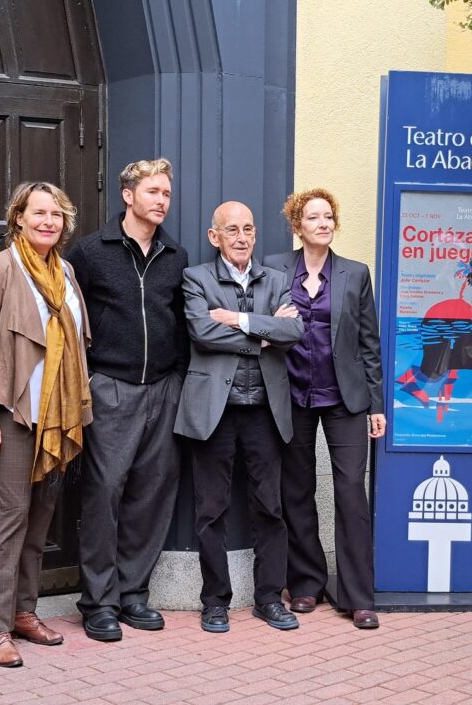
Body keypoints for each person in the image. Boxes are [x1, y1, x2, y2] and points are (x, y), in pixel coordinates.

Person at [0, 181, 93, 667]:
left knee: (40, 521)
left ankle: (24, 612)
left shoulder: (66, 271)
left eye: (56, 214)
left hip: (57, 419)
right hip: (14, 417)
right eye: (38, 212)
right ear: (17, 217)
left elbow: (78, 345)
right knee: (9, 519)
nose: (48, 221)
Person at [66, 158, 189, 642]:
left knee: (151, 493)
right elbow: (68, 321)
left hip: (163, 388)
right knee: (104, 493)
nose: (161, 201)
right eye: (154, 192)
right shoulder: (91, 252)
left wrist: (176, 379)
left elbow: (181, 323)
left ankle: (134, 593)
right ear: (128, 194)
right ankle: (98, 601)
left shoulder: (174, 256)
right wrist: (88, 381)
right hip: (110, 388)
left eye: (167, 194)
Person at [175, 201, 304, 633]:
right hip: (215, 412)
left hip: (265, 412)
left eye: (248, 228)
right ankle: (214, 601)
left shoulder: (278, 280)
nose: (242, 237)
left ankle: (269, 598)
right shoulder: (196, 279)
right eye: (232, 230)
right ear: (215, 237)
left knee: (271, 507)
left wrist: (238, 319)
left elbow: (293, 331)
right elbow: (202, 333)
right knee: (211, 510)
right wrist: (261, 334)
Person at [262, 187, 385, 630]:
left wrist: (376, 403)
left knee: (351, 491)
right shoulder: (275, 268)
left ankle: (358, 595)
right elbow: (260, 320)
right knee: (296, 490)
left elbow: (369, 343)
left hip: (346, 398)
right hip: (291, 394)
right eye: (313, 217)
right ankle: (306, 583)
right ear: (298, 226)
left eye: (329, 216)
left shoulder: (355, 274)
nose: (324, 223)